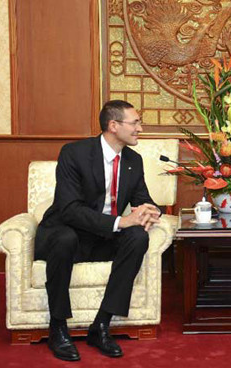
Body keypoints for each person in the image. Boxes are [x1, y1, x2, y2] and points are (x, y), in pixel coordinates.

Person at [35, 100, 161, 361]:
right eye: (135, 122)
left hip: (102, 236)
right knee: (65, 237)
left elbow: (142, 197)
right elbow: (68, 209)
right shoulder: (74, 153)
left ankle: (101, 325)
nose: (140, 128)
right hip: (66, 231)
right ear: (113, 126)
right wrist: (120, 222)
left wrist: (151, 211)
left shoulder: (133, 160)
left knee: (138, 236)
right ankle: (58, 326)